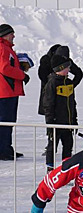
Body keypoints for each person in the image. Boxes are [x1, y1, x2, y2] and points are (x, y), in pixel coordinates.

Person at [42, 54, 78, 172]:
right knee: (52, 147)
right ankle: (50, 169)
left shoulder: (68, 83)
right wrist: (50, 123)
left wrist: (74, 120)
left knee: (68, 146)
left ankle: (66, 169)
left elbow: (73, 103)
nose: (69, 69)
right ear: (60, 68)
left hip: (67, 123)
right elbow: (48, 104)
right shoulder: (52, 83)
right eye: (67, 67)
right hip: (56, 123)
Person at [0, 23, 29, 161]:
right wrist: (22, 75)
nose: (13, 36)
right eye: (11, 33)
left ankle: (6, 148)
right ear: (5, 35)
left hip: (7, 91)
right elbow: (5, 68)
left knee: (7, 122)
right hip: (5, 92)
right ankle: (4, 150)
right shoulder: (3, 48)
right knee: (5, 122)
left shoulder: (6, 48)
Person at [38, 45, 83, 116]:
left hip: (64, 97)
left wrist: (70, 86)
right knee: (50, 115)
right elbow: (42, 76)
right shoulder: (46, 60)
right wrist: (53, 86)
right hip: (49, 95)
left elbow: (78, 73)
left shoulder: (66, 60)